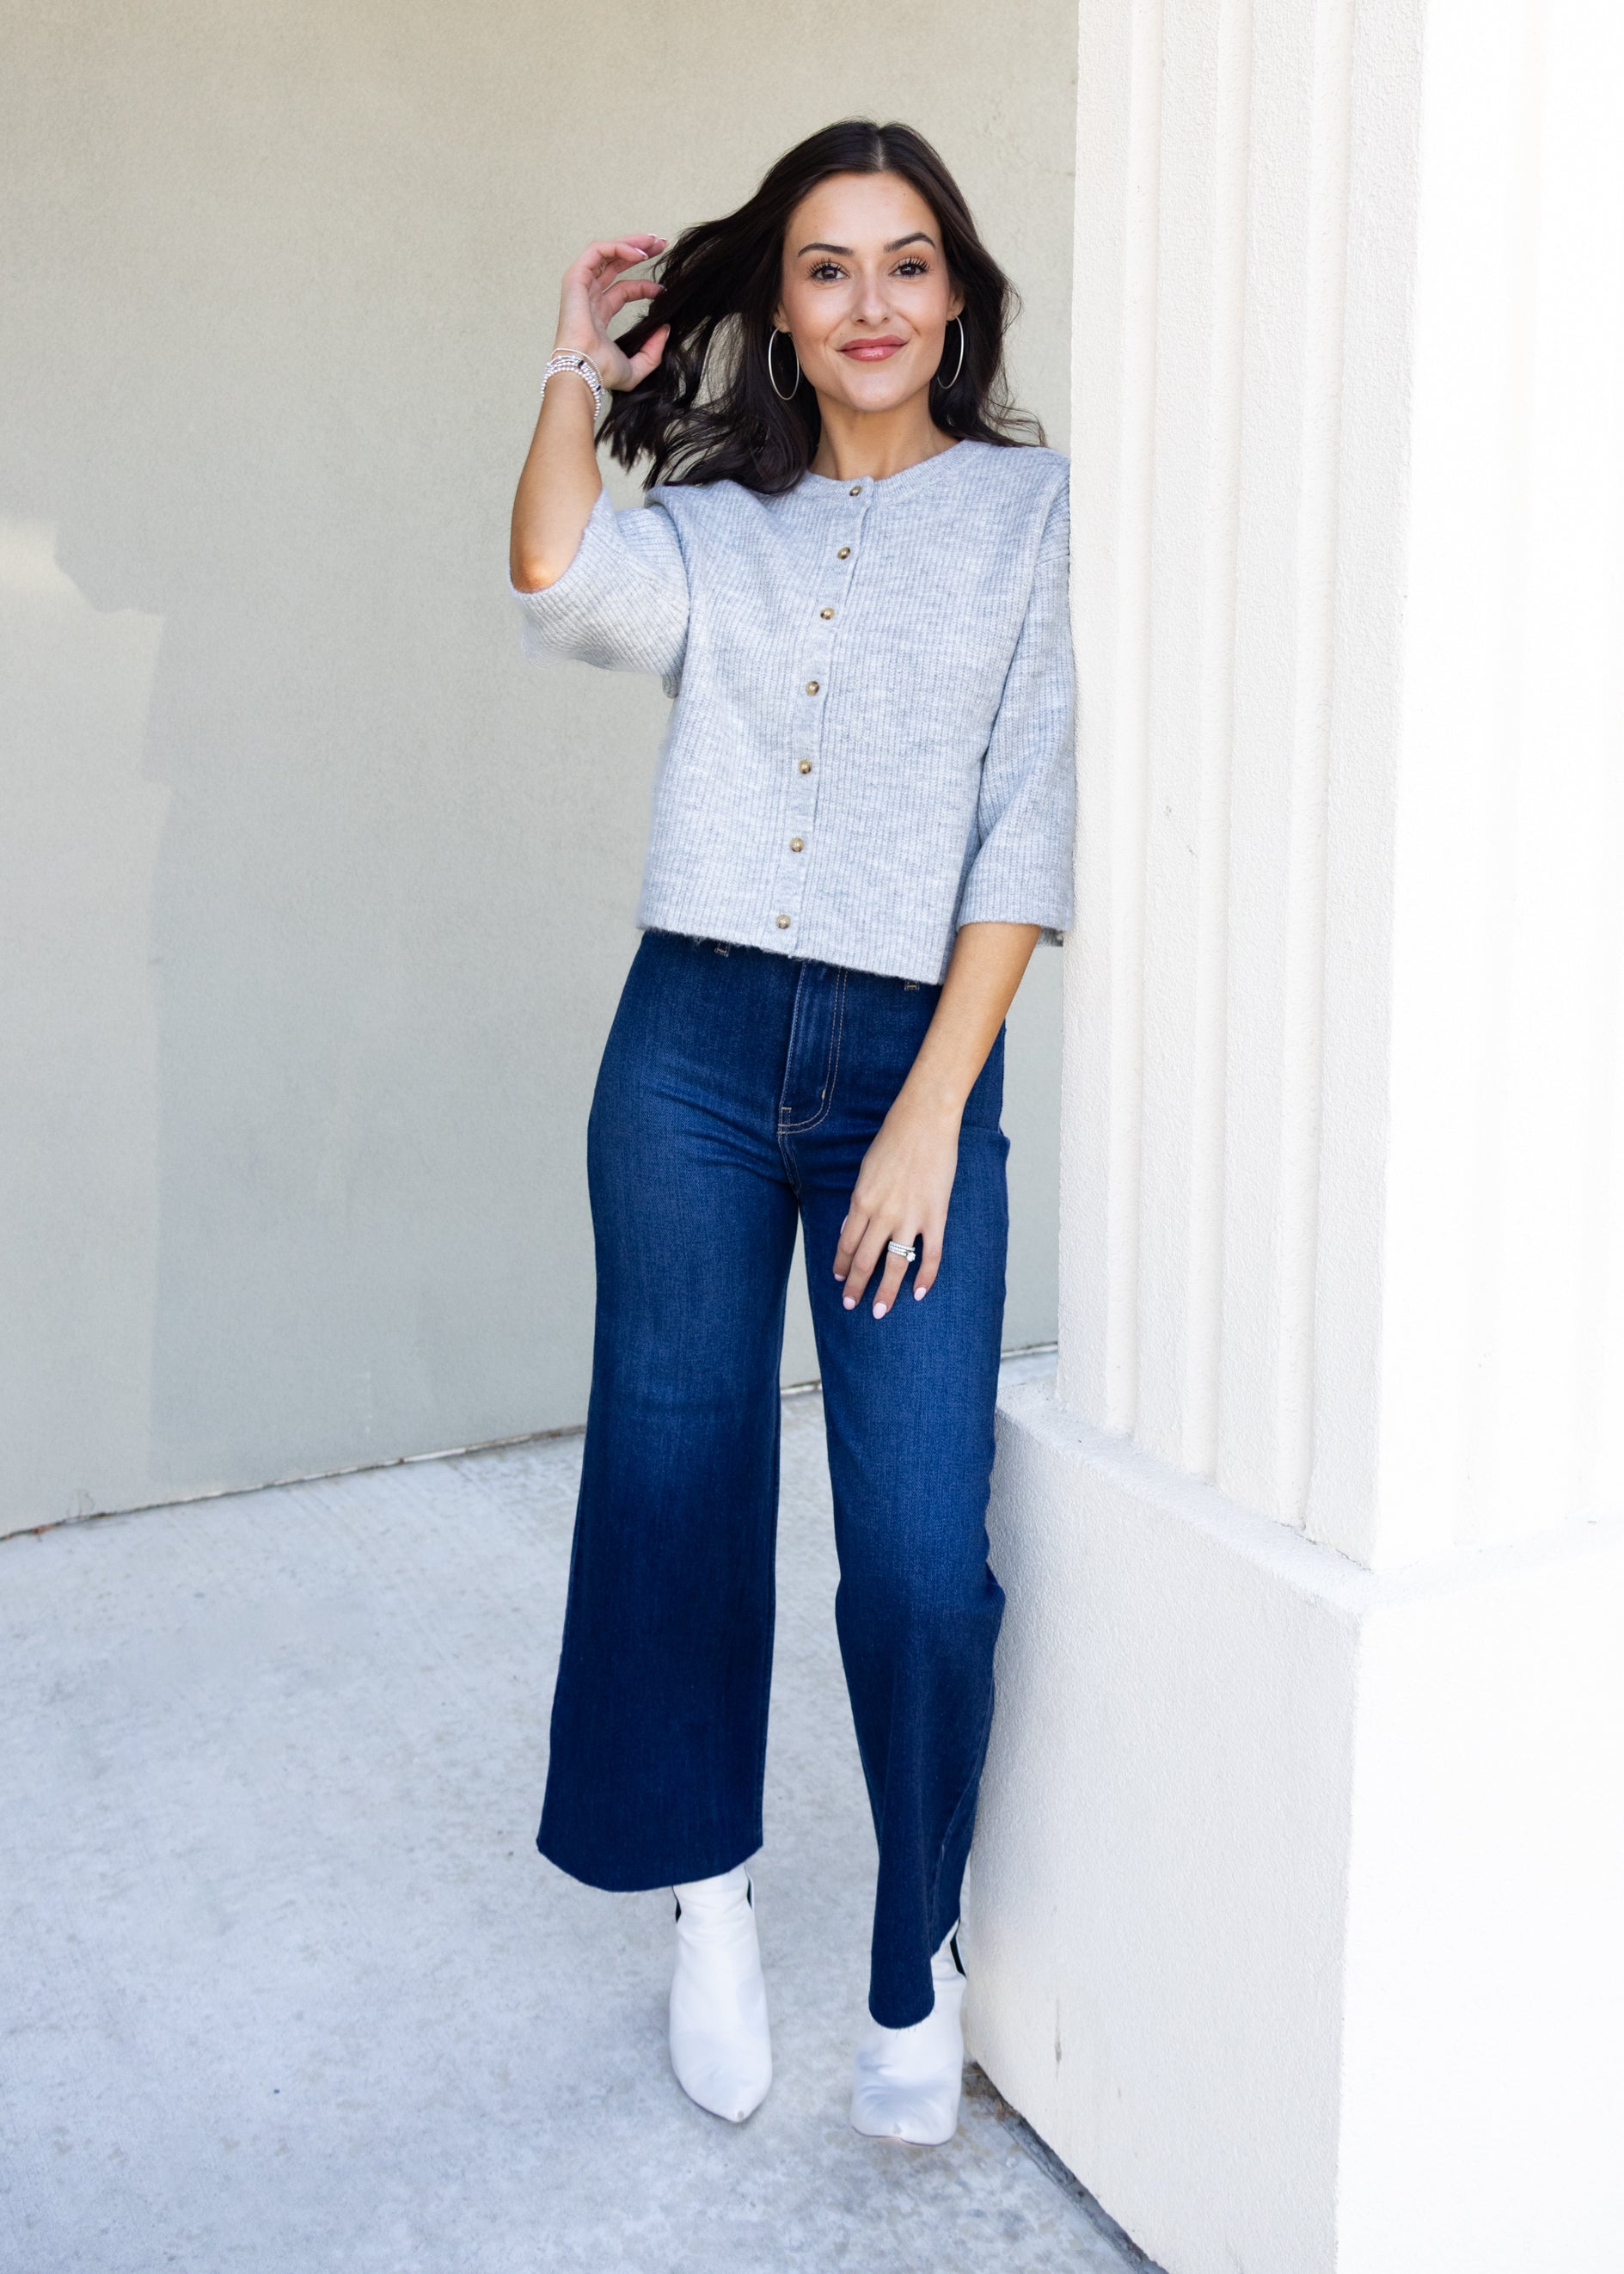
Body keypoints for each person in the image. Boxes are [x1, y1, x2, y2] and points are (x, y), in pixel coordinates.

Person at [508, 118, 1074, 2147]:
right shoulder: (720, 527)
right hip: (687, 1046)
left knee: (919, 1550)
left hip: (911, 1068)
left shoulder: (1034, 514)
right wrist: (579, 364)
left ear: (957, 293)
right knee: (677, 1482)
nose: (869, 306)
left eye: (906, 264)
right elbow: (559, 575)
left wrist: (933, 1113)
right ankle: (708, 1892)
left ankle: (913, 1937)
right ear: (780, 304)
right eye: (826, 269)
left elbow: (1029, 822)